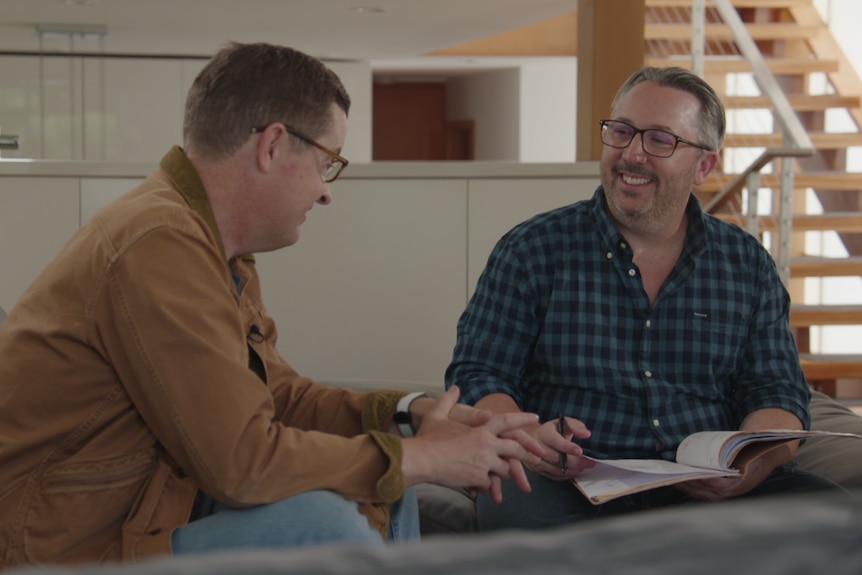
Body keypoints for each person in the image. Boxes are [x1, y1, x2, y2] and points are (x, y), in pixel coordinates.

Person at [0, 42, 545, 568]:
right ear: (273, 145)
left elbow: (280, 396)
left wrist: (411, 415)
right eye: (327, 161)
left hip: (146, 508)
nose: (327, 190)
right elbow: (240, 462)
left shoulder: (212, 245)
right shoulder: (159, 242)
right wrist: (422, 458)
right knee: (328, 523)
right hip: (65, 548)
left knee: (380, 482)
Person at [445, 66, 846, 532]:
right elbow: (479, 373)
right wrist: (529, 437)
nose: (632, 154)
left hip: (709, 493)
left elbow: (777, 392)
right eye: (621, 132)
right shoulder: (532, 249)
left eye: (660, 140)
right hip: (565, 487)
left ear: (704, 166)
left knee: (838, 519)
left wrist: (750, 467)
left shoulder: (746, 265)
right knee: (521, 516)